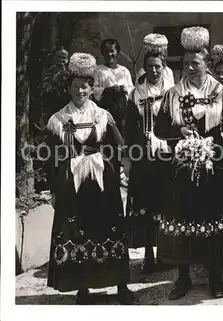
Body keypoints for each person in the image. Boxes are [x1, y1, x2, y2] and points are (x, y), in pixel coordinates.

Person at [153, 26, 223, 300]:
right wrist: (179, 132)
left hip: (213, 163)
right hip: (183, 164)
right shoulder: (173, 94)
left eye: (196, 63)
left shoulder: (221, 92)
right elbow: (159, 128)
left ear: (208, 64)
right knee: (183, 218)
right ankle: (183, 277)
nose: (190, 67)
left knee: (211, 218)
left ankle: (214, 277)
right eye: (186, 63)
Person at [44, 53, 135, 304]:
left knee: (109, 230)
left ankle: (121, 287)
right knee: (77, 232)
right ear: (68, 89)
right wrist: (55, 187)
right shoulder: (58, 121)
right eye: (75, 86)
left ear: (92, 87)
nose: (80, 90)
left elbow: (119, 147)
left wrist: (114, 167)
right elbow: (50, 156)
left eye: (85, 85)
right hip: (73, 186)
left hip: (102, 184)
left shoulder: (103, 116)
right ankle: (82, 287)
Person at [122, 43, 175, 273]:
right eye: (150, 67)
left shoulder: (173, 91)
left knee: (166, 202)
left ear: (164, 67)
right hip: (143, 153)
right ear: (144, 68)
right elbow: (129, 127)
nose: (154, 71)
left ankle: (166, 254)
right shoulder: (136, 93)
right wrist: (130, 156)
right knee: (144, 204)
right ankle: (148, 255)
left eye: (158, 66)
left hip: (166, 152)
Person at [93, 38, 134, 135]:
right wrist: (107, 90)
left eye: (112, 51)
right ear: (102, 53)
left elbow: (132, 90)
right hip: (106, 108)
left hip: (122, 110)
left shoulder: (124, 71)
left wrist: (124, 89)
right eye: (106, 51)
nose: (109, 54)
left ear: (117, 52)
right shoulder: (98, 70)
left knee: (122, 136)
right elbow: (92, 90)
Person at [41, 47, 71, 124]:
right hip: (52, 103)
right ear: (54, 57)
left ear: (67, 60)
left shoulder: (69, 71)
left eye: (64, 57)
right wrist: (58, 76)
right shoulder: (50, 70)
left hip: (65, 104)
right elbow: (46, 86)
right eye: (58, 57)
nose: (61, 60)